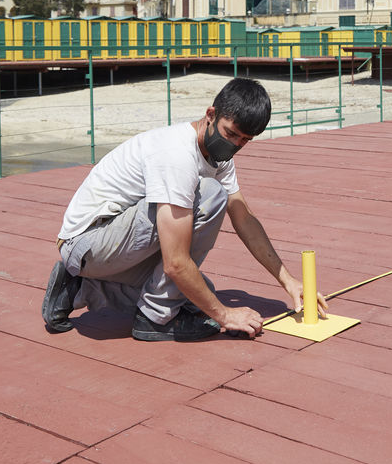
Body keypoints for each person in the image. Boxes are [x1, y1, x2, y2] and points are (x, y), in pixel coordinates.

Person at [42, 77, 327, 341]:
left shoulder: (218, 157)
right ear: (210, 114)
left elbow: (244, 218)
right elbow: (176, 262)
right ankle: (153, 319)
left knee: (197, 295)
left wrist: (289, 282)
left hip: (109, 248)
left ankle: (77, 287)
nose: (235, 145)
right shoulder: (176, 154)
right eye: (231, 134)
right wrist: (225, 315)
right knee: (209, 198)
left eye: (244, 141)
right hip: (88, 242)